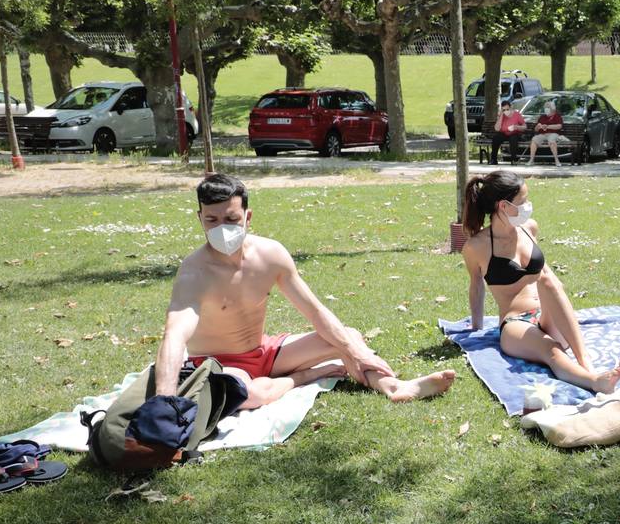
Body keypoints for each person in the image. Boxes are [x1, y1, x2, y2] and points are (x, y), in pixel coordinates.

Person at [154, 174, 456, 408]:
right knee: (250, 395)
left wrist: (354, 352)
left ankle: (394, 386)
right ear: (200, 219)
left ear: (247, 217)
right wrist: (163, 403)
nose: (222, 227)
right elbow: (175, 335)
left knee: (348, 337)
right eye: (212, 220)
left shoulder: (270, 254)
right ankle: (305, 377)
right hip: (218, 363)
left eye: (231, 219)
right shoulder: (194, 272)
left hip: (265, 352)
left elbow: (314, 310)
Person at [461, 170, 620, 392]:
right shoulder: (476, 247)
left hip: (547, 314)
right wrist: (476, 328)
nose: (528, 205)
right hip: (516, 324)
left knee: (547, 281)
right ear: (504, 206)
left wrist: (561, 303)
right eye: (523, 201)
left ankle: (585, 361)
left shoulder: (529, 229)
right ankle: (595, 381)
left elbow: (550, 279)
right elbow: (476, 285)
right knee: (553, 351)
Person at [527, 101, 567, 166]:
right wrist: (537, 126)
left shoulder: (557, 116)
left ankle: (557, 160)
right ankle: (531, 160)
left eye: (548, 107)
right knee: (534, 139)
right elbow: (536, 130)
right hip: (543, 134)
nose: (546, 109)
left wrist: (547, 126)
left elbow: (559, 126)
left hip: (553, 133)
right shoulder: (542, 117)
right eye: (545, 107)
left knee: (551, 140)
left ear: (552, 108)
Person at [490, 99, 525, 164]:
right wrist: (501, 116)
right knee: (495, 138)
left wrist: (517, 127)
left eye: (507, 109)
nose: (506, 111)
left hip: (514, 133)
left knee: (513, 139)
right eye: (504, 110)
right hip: (504, 133)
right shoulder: (502, 115)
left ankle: (513, 160)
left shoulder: (516, 114)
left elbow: (525, 127)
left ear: (510, 107)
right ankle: (493, 159)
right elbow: (497, 129)